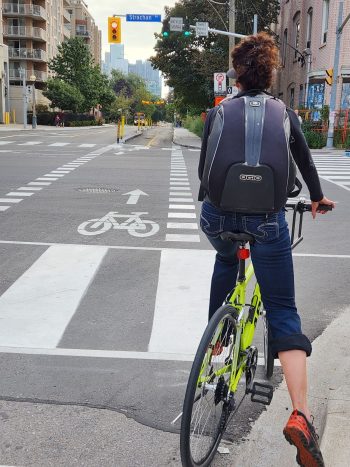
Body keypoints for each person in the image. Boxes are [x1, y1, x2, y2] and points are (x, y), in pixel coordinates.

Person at [198, 32, 335, 467]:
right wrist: (315, 198)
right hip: (268, 223)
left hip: (218, 218)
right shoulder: (285, 114)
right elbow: (308, 164)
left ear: (237, 74)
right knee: (282, 310)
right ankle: (300, 416)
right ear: (271, 74)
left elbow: (204, 173)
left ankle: (215, 346)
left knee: (224, 257)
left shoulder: (217, 112)